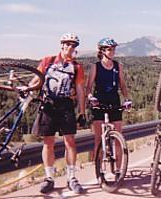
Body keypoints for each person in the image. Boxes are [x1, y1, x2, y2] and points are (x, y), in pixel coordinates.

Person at [30, 33, 86, 194]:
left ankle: (71, 178)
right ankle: (49, 178)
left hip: (66, 105)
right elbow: (36, 80)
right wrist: (27, 89)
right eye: (68, 44)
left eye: (74, 45)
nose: (70, 47)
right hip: (48, 105)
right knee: (48, 142)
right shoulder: (47, 61)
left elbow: (81, 90)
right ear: (61, 45)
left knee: (70, 142)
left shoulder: (77, 67)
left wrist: (82, 112)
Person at [85, 37, 131, 173]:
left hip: (114, 101)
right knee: (98, 139)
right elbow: (88, 87)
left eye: (113, 49)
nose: (112, 52)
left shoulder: (118, 66)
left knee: (118, 137)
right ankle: (100, 170)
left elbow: (122, 84)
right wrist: (90, 97)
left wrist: (127, 98)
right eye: (109, 49)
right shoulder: (95, 66)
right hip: (99, 102)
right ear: (102, 51)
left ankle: (118, 170)